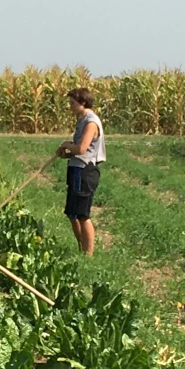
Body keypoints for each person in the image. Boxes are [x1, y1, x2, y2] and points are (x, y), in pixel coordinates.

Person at [56, 87, 106, 256]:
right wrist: (66, 154)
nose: (70, 106)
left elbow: (82, 148)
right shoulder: (82, 120)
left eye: (72, 103)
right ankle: (81, 247)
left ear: (83, 103)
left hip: (85, 171)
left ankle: (88, 255)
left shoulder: (91, 122)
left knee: (82, 214)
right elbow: (78, 150)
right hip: (76, 168)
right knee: (71, 212)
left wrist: (66, 144)